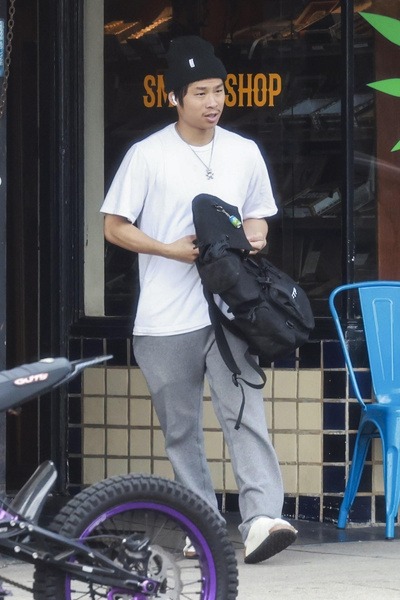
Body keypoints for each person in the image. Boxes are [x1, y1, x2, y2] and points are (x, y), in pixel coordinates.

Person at [100, 35, 297, 564]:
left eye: (219, 91)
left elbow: (258, 213)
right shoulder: (147, 155)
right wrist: (168, 249)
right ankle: (201, 523)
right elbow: (114, 226)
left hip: (232, 309)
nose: (213, 102)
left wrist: (254, 237)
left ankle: (261, 519)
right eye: (201, 92)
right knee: (181, 429)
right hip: (164, 317)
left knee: (245, 413)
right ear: (175, 97)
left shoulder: (243, 151)